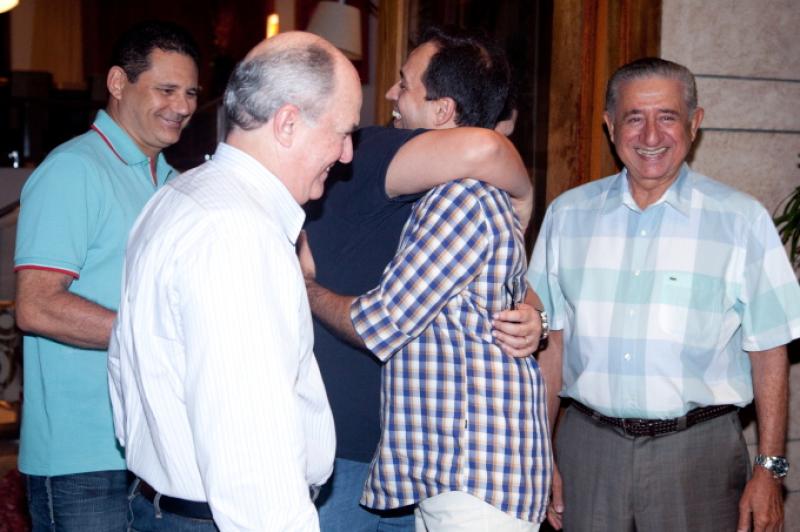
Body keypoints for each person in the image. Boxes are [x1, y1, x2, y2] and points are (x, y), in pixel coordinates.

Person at [528, 57, 800, 532]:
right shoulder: (566, 216)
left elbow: (770, 351)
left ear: (694, 123)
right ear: (610, 125)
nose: (650, 135)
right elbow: (550, 345)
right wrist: (540, 453)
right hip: (587, 453)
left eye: (667, 117)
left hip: (699, 456)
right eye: (634, 118)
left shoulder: (741, 220)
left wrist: (770, 469)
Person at [108, 31, 360, 531]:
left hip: (163, 509)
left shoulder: (181, 195)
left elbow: (123, 367)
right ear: (288, 123)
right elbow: (250, 459)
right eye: (343, 132)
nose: (347, 154)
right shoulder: (237, 234)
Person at [303, 26, 550, 532]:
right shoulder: (391, 162)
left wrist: (303, 287)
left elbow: (380, 324)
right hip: (401, 462)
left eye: (404, 83)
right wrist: (533, 315)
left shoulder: (462, 196)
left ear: (442, 112)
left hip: (461, 473)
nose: (389, 95)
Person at [13, 21, 200, 531]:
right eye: (166, 89)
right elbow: (36, 306)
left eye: (190, 93)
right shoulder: (74, 169)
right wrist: (160, 337)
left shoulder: (175, 184)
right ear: (118, 83)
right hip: (82, 459)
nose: (182, 106)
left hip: (158, 452)